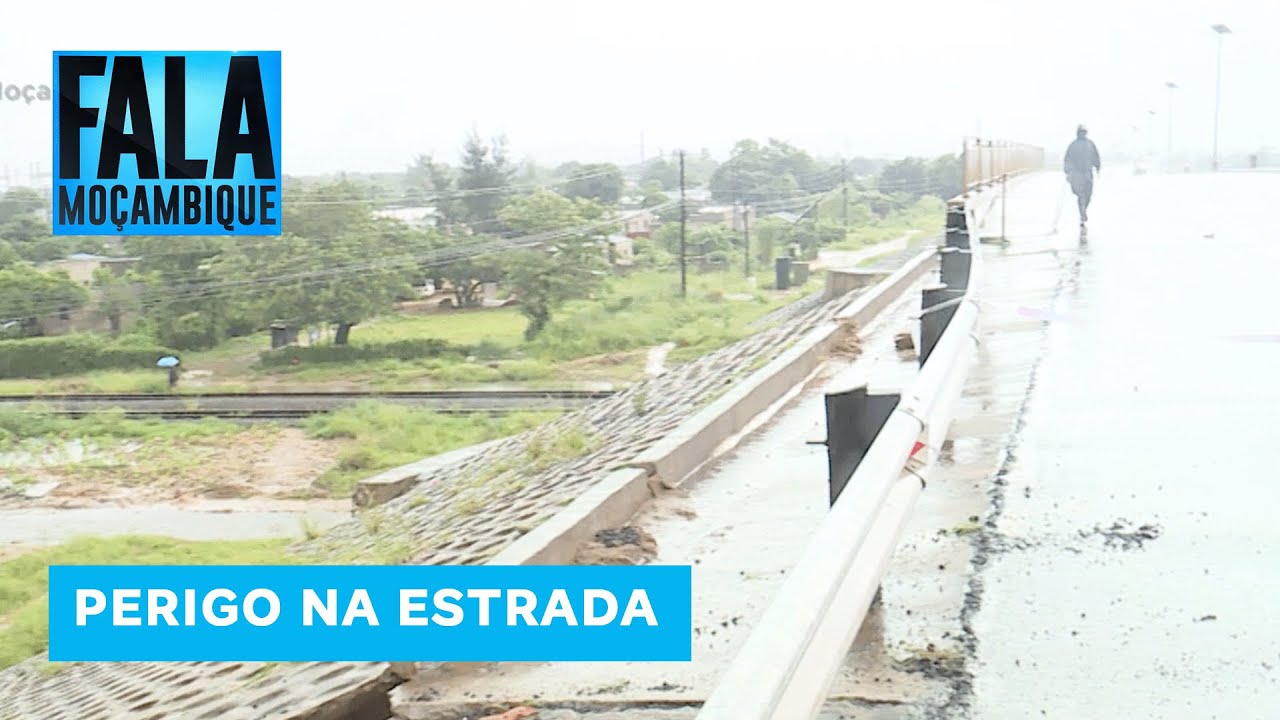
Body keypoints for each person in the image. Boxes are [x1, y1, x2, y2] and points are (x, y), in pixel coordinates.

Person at [1064, 125, 1101, 224]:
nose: (1083, 134)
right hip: (1077, 174)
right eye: (1081, 132)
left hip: (1088, 174)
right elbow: (1067, 159)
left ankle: (1083, 209)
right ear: (1078, 133)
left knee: (1088, 195)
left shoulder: (1090, 144)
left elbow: (1096, 156)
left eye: (1084, 132)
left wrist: (1098, 167)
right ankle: (1082, 213)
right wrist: (1067, 172)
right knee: (1081, 195)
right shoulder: (1073, 145)